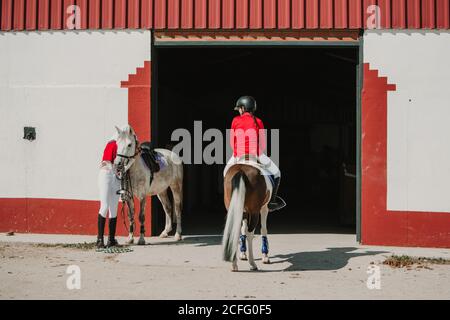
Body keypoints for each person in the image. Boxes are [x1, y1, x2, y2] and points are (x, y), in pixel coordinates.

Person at [225, 96, 286, 212]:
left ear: (243, 108)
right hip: (256, 154)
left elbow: (232, 142)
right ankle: (272, 201)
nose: (238, 110)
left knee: (226, 173)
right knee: (277, 172)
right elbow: (262, 144)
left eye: (239, 108)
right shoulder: (258, 121)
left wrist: (237, 153)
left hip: (238, 154)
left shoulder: (235, 120)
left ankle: (228, 199)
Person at [96, 131, 121, 249]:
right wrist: (115, 171)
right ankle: (99, 240)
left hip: (116, 177)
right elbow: (107, 161)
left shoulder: (122, 147)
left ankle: (111, 239)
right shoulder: (112, 144)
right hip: (106, 175)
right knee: (104, 206)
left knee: (114, 208)